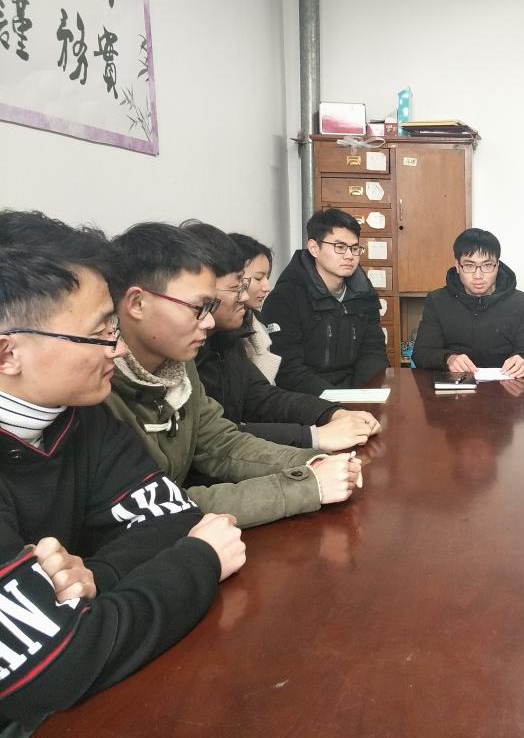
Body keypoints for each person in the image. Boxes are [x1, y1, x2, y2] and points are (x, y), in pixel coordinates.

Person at [0, 213, 245, 730]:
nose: (115, 347)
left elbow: (171, 515)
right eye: (98, 333)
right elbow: (59, 666)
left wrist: (95, 578)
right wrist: (200, 559)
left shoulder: (80, 414)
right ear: (9, 353)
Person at [105, 222, 362, 529]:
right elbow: (156, 505)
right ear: (136, 303)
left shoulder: (178, 364)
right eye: (199, 307)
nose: (208, 322)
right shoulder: (98, 388)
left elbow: (222, 444)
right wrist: (306, 485)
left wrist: (310, 461)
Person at [183, 221, 381, 450]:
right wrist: (314, 436)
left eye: (354, 248)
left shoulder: (227, 338)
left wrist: (332, 412)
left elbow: (262, 397)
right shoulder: (184, 353)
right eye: (238, 286)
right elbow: (214, 440)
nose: (245, 296)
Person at [262, 208, 389, 394]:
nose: (349, 256)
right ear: (314, 248)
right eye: (340, 247)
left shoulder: (363, 294)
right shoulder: (285, 298)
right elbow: (287, 369)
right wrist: (336, 402)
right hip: (305, 398)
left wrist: (361, 397)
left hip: (355, 394)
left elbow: (373, 353)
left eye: (354, 248)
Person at [412, 228, 524, 376]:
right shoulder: (437, 301)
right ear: (457, 266)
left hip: (506, 384)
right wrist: (448, 359)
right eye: (469, 266)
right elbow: (421, 353)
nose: (478, 275)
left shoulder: (520, 302)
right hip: (455, 385)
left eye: (487, 265)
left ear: (497, 265)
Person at [229, 232, 280, 383]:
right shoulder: (222, 334)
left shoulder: (257, 322)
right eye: (258, 278)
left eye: (267, 277)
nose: (267, 287)